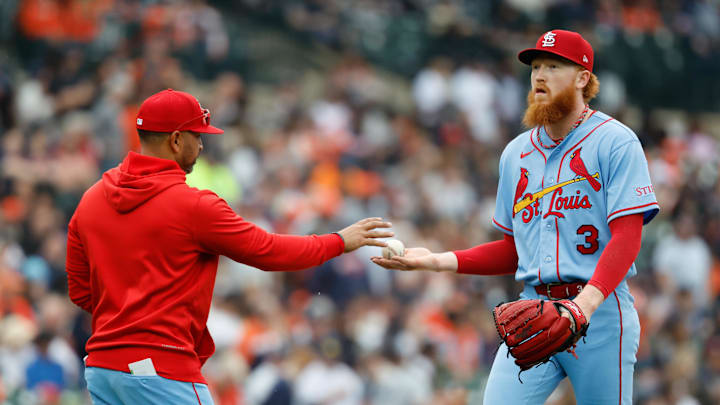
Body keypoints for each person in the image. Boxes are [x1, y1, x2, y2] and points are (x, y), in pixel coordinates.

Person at [372, 30, 659, 404]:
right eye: (535, 67)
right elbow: (513, 250)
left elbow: (627, 237)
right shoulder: (516, 153)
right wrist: (436, 261)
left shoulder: (615, 141)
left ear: (582, 78)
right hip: (534, 309)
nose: (539, 76)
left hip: (600, 314)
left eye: (553, 66)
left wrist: (582, 307)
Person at [65, 88, 393, 405]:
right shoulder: (193, 206)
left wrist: (127, 316)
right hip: (161, 368)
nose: (202, 145)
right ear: (176, 140)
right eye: (197, 136)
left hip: (103, 368)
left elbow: (81, 293)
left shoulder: (92, 199)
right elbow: (270, 252)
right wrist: (338, 241)